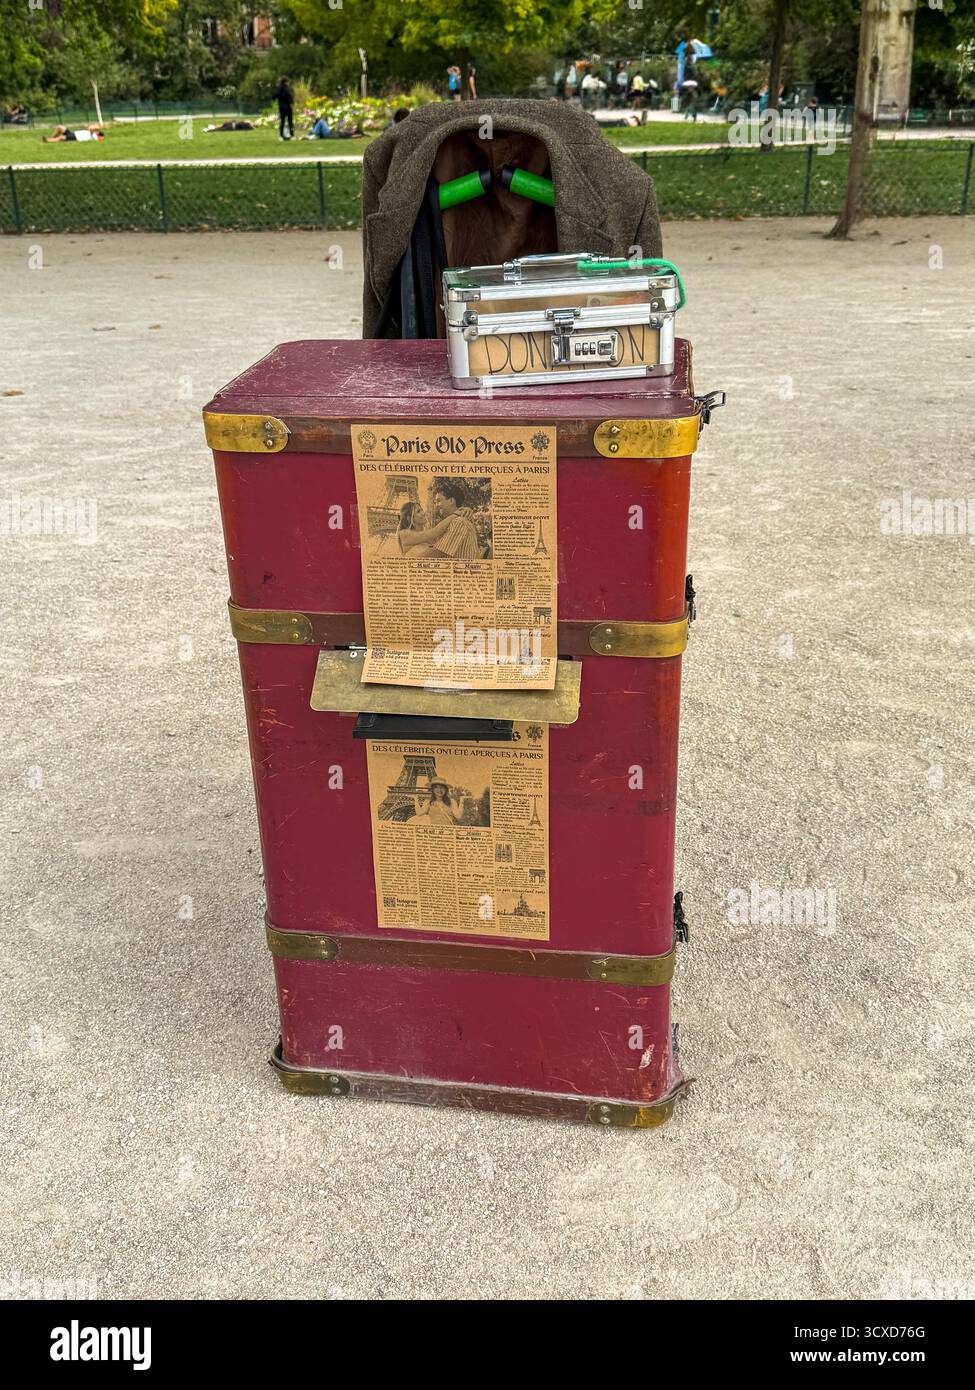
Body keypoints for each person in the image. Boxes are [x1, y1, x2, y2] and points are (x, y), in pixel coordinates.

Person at [396, 480, 481, 559]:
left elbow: (437, 553)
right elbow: (433, 533)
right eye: (418, 511)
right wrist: (456, 513)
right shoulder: (406, 534)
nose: (436, 505)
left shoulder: (459, 522)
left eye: (439, 500)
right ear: (409, 518)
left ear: (451, 500)